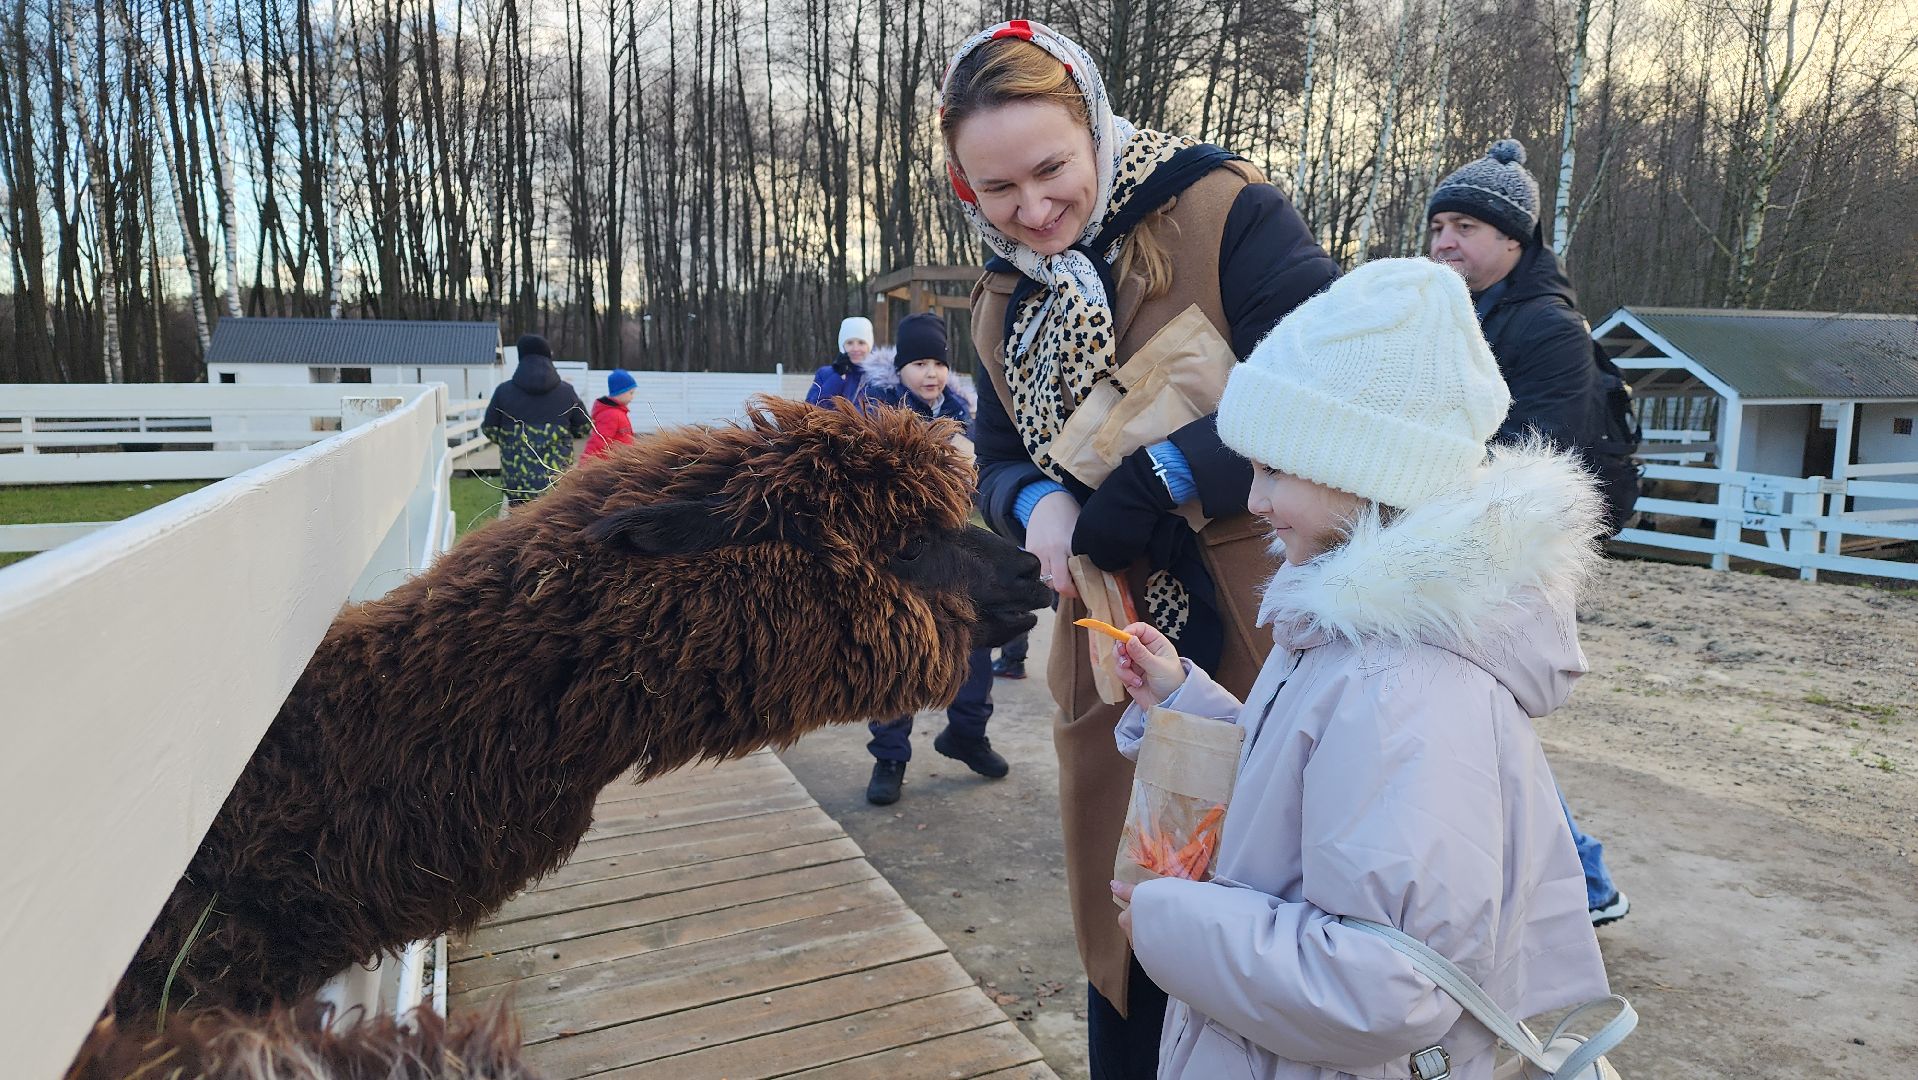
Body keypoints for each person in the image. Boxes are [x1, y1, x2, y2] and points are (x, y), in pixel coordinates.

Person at [940, 19, 1340, 1075]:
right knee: (1125, 912)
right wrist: (1031, 505)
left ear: (1093, 124)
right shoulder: (1003, 295)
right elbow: (990, 456)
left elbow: (1326, 381)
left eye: (1049, 170)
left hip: (1249, 621)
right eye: (996, 190)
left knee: (1260, 898)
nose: (1031, 210)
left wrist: (1165, 474)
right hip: (1105, 643)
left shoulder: (1224, 212)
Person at [1106, 258, 1611, 1079]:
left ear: (1369, 472)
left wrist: (1171, 922)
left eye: (1272, 470)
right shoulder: (1351, 629)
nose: (1254, 499)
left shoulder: (1405, 686)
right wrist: (1188, 707)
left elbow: (1389, 985)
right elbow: (1312, 796)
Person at [1428, 138, 1633, 927]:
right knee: (1475, 713)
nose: (1445, 242)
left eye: (1465, 228)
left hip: (1515, 545)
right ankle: (1578, 878)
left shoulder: (1547, 327)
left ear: (1515, 240)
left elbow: (1540, 453)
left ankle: (1582, 877)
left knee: (1484, 711)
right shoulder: (1462, 310)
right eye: (1438, 226)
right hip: (1466, 533)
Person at [851, 313, 1008, 805]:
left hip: (959, 554)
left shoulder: (966, 410)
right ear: (899, 368)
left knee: (974, 649)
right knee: (897, 657)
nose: (930, 373)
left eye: (937, 363)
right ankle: (890, 756)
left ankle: (966, 734)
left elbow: (987, 479)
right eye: (919, 363)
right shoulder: (872, 413)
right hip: (900, 561)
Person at [481, 334, 591, 508]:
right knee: (553, 528)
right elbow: (584, 427)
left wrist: (510, 440)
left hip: (517, 484)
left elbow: (489, 429)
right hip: (555, 482)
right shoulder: (566, 392)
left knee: (516, 529)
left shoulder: (503, 392)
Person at [805, 316, 876, 405]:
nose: (855, 348)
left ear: (869, 346)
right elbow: (811, 407)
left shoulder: (879, 377)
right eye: (850, 343)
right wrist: (837, 377)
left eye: (861, 343)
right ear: (842, 345)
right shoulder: (825, 374)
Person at [582, 368, 638, 460]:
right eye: (631, 393)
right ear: (621, 392)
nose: (632, 397)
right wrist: (585, 464)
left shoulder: (620, 412)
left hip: (621, 462)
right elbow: (598, 441)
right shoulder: (611, 414)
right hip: (611, 465)